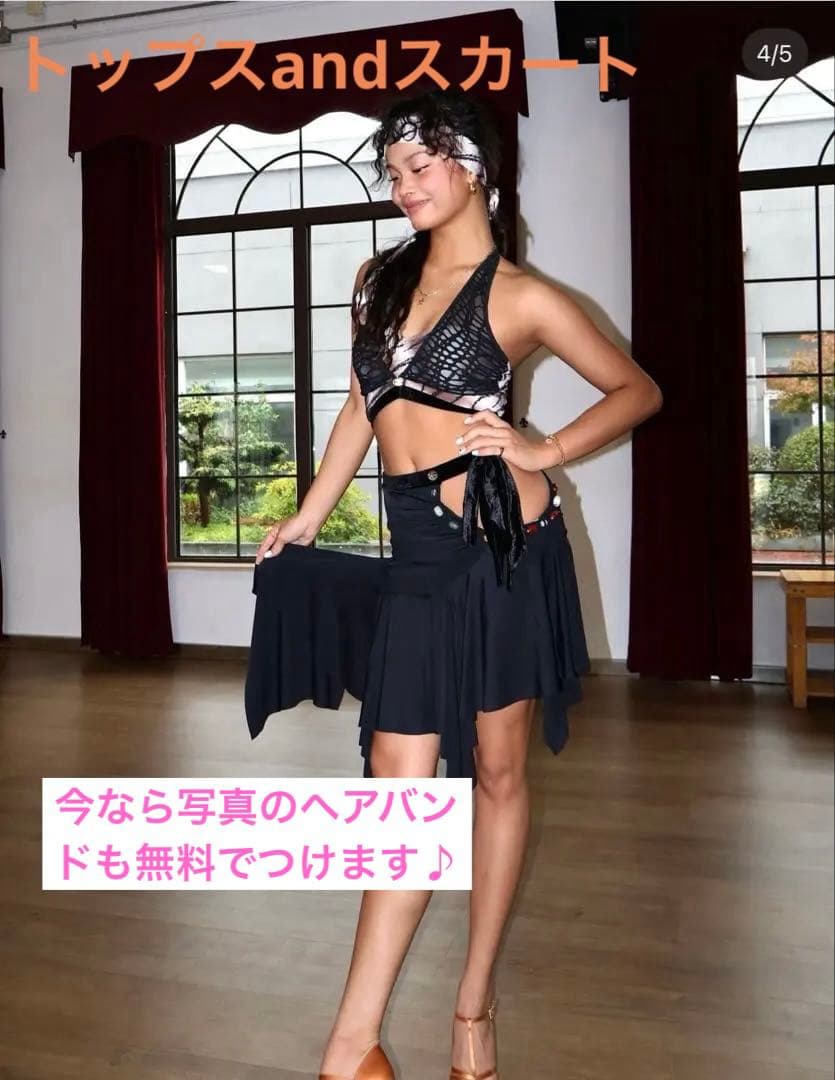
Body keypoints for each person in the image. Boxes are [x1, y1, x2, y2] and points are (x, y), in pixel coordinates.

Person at [244, 88, 663, 1080]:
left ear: (472, 168)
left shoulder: (519, 295)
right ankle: (354, 1045)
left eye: (420, 165)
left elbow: (637, 389)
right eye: (392, 172)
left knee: (500, 774)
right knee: (399, 792)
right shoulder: (377, 279)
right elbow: (362, 402)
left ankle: (471, 1006)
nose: (403, 185)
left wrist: (542, 446)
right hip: (415, 557)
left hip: (499, 549)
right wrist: (311, 512)